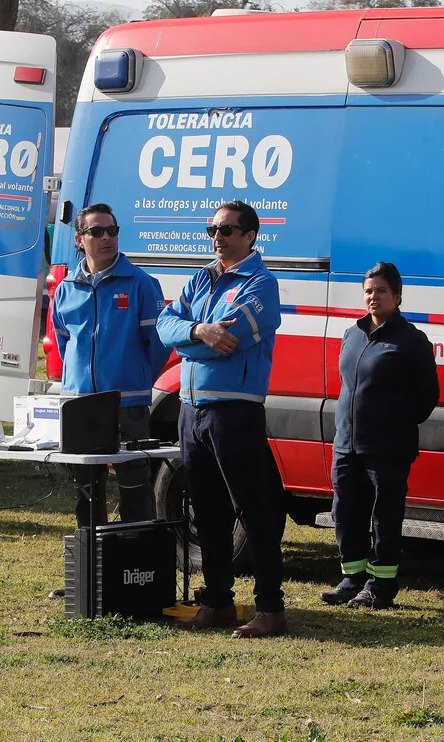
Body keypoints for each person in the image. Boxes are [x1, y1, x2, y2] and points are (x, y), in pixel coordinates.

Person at [156, 200, 288, 638]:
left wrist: (201, 335)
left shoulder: (261, 284)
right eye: (212, 230)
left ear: (250, 235)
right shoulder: (201, 277)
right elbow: (164, 325)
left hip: (235, 412)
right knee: (206, 511)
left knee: (253, 512)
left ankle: (271, 608)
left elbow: (228, 340)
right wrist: (198, 331)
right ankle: (217, 602)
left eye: (227, 230)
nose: (217, 238)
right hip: (191, 410)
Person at [324, 262, 439, 610]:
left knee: (383, 517)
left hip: (388, 447)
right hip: (347, 443)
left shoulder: (411, 341)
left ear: (398, 296)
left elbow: (427, 397)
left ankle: (381, 586)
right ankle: (352, 578)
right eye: (369, 291)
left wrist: (393, 423)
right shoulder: (352, 334)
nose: (374, 297)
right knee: (345, 511)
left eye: (382, 291)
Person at [51, 203, 168, 526]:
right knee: (87, 489)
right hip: (81, 405)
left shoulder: (141, 283)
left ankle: (136, 555)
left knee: (134, 485)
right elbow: (65, 344)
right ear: (79, 239)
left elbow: (157, 345)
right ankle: (94, 558)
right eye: (97, 231)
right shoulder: (65, 289)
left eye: (112, 231)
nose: (106, 238)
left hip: (128, 402)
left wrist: (136, 378)